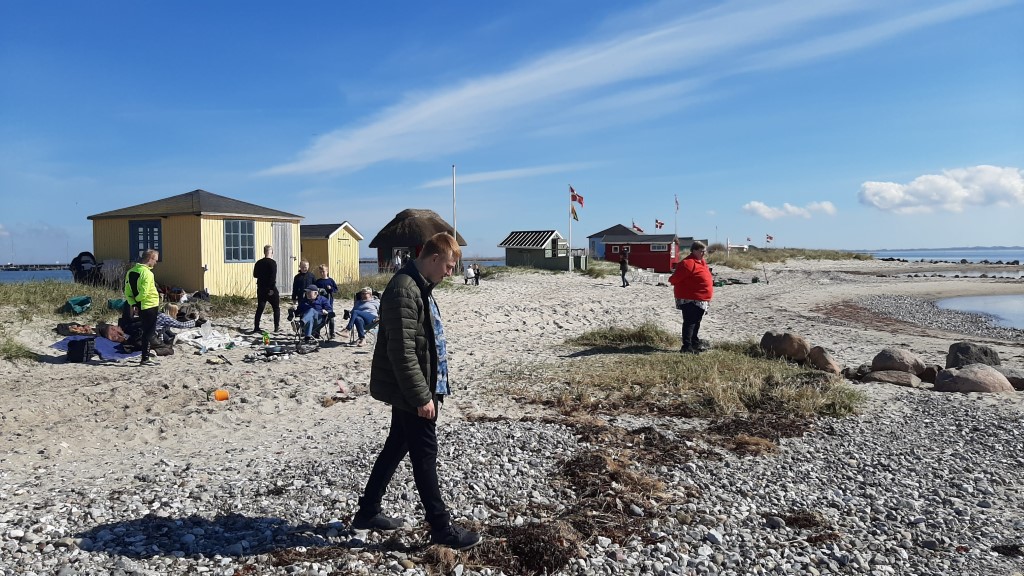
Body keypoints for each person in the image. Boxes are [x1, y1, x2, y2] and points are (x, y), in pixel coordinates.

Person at [352, 232, 481, 550]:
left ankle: (367, 512)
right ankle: (441, 527)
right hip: (414, 389)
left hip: (420, 385)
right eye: (448, 266)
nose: (449, 273)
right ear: (434, 258)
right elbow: (402, 351)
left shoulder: (419, 286)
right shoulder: (404, 289)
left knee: (397, 445)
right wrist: (422, 396)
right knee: (424, 454)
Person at [669, 241, 714, 354]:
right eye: (701, 251)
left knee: (696, 322)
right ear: (694, 250)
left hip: (701, 299)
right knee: (690, 322)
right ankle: (686, 347)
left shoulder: (701, 262)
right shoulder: (687, 263)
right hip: (690, 299)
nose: (704, 253)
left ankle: (694, 343)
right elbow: (674, 279)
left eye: (704, 251)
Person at [124, 249, 161, 366]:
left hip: (140, 306)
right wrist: (138, 301)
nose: (156, 263)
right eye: (155, 260)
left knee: (146, 330)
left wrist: (134, 303)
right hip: (150, 305)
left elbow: (127, 292)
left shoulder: (131, 272)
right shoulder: (148, 273)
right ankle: (145, 358)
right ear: (150, 258)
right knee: (149, 332)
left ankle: (146, 356)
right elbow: (144, 293)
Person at [253, 245, 280, 333]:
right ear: (272, 252)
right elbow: (273, 276)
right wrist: (271, 288)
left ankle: (256, 327)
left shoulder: (258, 263)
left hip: (261, 288)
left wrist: (262, 275)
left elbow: (255, 275)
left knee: (260, 307)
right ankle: (276, 327)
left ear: (264, 252)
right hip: (270, 288)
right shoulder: (272, 263)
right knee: (276, 308)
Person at [315, 264, 340, 339]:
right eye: (320, 272)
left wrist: (330, 288)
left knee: (331, 317)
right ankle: (317, 332)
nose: (322, 273)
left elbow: (336, 290)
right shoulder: (318, 281)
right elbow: (314, 291)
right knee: (320, 317)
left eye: (323, 271)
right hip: (320, 303)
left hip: (329, 302)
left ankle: (331, 333)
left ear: (327, 271)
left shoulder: (330, 280)